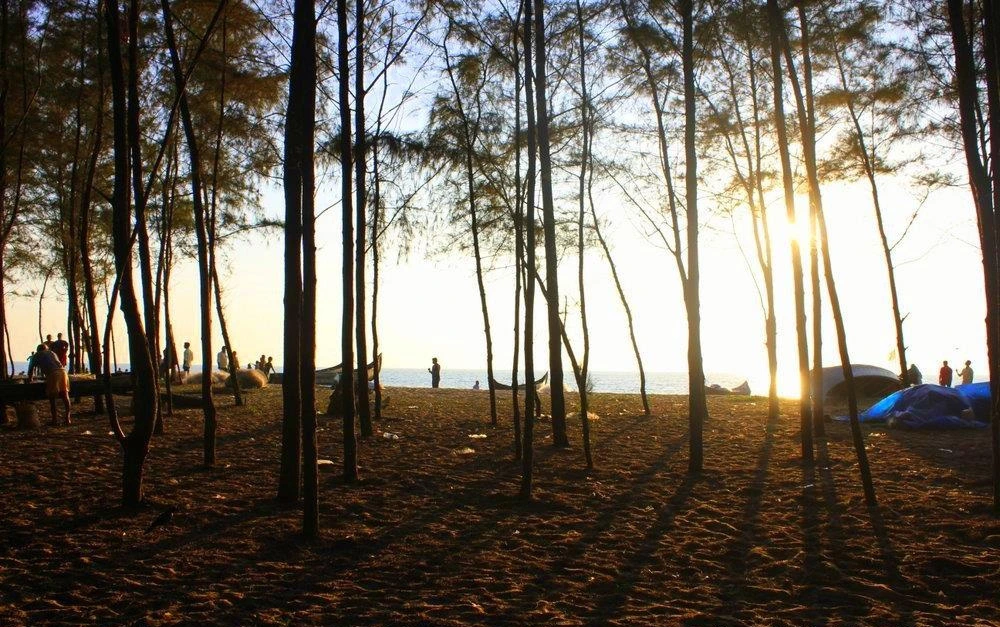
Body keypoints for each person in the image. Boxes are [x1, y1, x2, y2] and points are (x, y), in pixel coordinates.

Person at [27, 343, 71, 425]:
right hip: (63, 372)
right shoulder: (52, 353)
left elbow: (30, 370)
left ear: (38, 350)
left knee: (52, 397)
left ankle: (54, 420)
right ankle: (67, 418)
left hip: (53, 374)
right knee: (65, 395)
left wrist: (30, 380)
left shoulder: (36, 355)